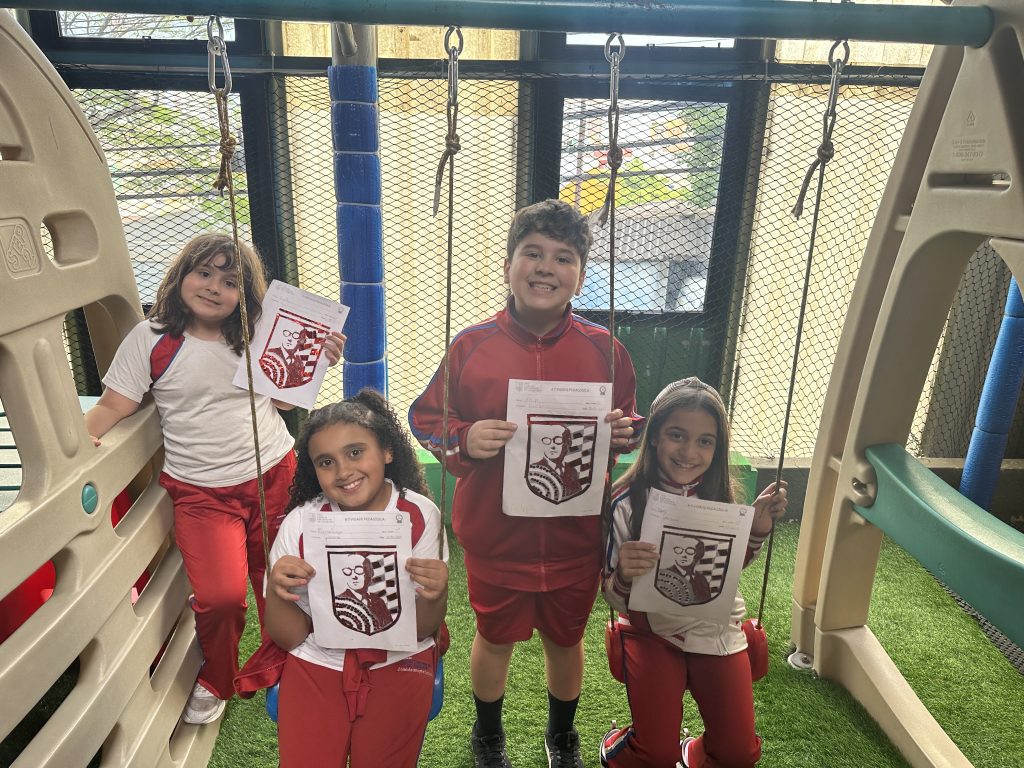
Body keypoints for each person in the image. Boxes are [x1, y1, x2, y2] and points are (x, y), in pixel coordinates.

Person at [409, 199, 642, 768]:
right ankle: (488, 735)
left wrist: (622, 432)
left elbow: (628, 424)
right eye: (532, 253)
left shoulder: (607, 351)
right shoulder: (471, 347)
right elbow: (427, 419)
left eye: (564, 258)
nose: (546, 268)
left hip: (574, 538)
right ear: (508, 264)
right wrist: (465, 437)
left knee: (566, 641)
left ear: (580, 275)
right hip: (497, 537)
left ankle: (562, 735)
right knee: (494, 639)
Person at [83, 233, 345, 725]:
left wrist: (318, 361)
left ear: (243, 296)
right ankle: (217, 678)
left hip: (274, 477)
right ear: (181, 275)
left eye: (229, 282)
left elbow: (282, 400)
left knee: (284, 582)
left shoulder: (256, 331)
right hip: (201, 494)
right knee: (222, 598)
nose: (212, 287)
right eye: (203, 273)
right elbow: (115, 403)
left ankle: (292, 663)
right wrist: (82, 442)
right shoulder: (152, 338)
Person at [598, 377, 788, 768]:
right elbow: (612, 596)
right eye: (676, 435)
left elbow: (725, 574)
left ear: (717, 448)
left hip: (713, 629)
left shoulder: (719, 496)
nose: (689, 452)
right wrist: (624, 576)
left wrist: (756, 531)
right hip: (651, 630)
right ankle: (623, 746)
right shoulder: (625, 501)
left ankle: (694, 752)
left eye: (705, 441)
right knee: (655, 756)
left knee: (739, 754)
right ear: (654, 436)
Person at [264, 389, 449, 768]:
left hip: (399, 660)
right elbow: (289, 637)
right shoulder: (300, 524)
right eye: (326, 462)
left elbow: (422, 628)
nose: (343, 472)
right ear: (313, 469)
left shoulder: (420, 516)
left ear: (387, 451)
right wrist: (278, 590)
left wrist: (435, 593)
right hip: (317, 659)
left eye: (355, 452)